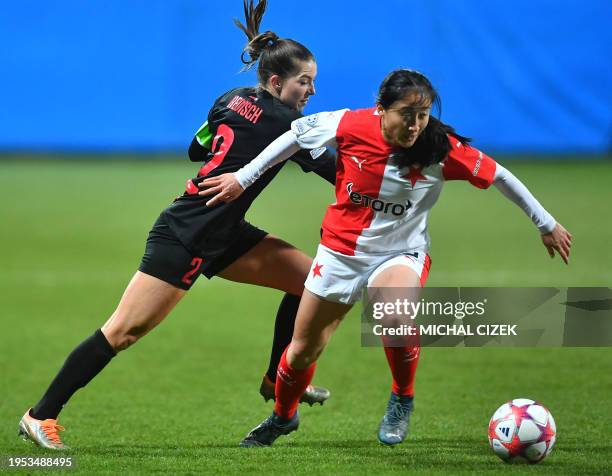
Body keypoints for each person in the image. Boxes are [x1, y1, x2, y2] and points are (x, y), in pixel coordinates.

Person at [18, 0, 336, 451]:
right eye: (305, 82)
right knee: (122, 331)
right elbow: (339, 172)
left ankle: (276, 378)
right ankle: (39, 415)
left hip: (222, 231)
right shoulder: (289, 124)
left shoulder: (230, 99)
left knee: (309, 283)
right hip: (186, 234)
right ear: (277, 80)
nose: (311, 92)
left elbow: (196, 145)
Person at [198, 68, 573, 447]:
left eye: (423, 115)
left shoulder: (440, 148)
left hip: (399, 253)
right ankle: (282, 417)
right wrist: (242, 178)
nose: (415, 124)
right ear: (382, 109)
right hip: (340, 253)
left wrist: (546, 224)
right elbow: (293, 137)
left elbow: (500, 176)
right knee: (300, 352)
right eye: (406, 114)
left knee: (393, 314)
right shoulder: (348, 124)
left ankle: (401, 398)